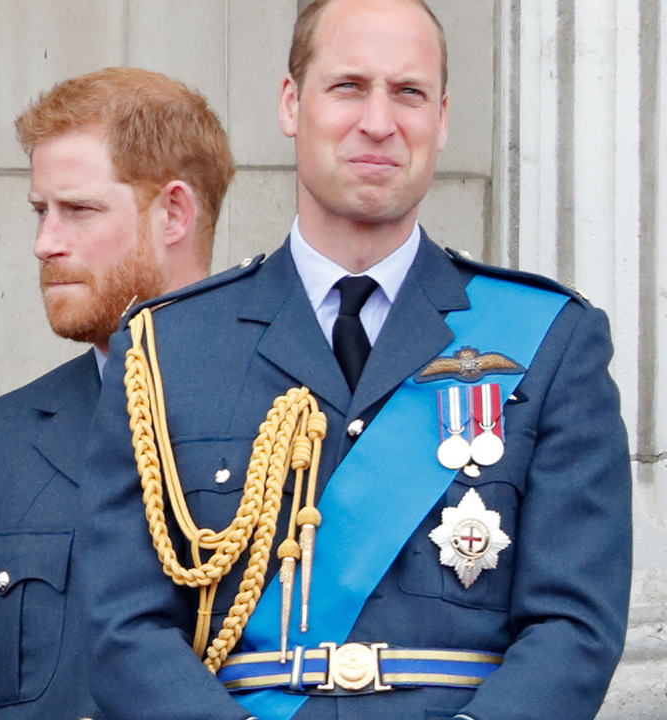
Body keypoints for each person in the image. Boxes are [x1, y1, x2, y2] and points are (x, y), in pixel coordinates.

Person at [79, 2, 632, 720]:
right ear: (291, 103)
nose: (379, 121)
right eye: (347, 87)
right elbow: (124, 626)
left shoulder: (551, 338)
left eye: (408, 92)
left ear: (441, 117)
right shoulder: (167, 349)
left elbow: (574, 626)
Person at [0, 67, 235, 720]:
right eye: (40, 211)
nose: (44, 244)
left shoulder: (296, 417)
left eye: (79, 210)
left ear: (174, 212)